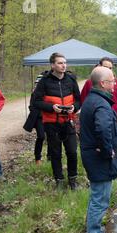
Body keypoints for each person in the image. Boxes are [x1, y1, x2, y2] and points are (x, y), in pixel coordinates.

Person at [80, 66, 117, 233]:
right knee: (100, 199)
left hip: (92, 156)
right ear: (103, 83)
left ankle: (92, 232)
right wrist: (107, 152)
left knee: (96, 196)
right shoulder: (101, 104)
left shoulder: (92, 99)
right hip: (99, 159)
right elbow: (103, 129)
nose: (115, 83)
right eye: (112, 80)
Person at [33, 53, 81, 190]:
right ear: (53, 65)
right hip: (51, 123)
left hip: (68, 121)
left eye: (65, 62)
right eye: (60, 63)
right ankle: (59, 181)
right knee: (55, 153)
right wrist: (51, 107)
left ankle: (73, 180)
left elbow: (79, 100)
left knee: (72, 151)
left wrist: (74, 107)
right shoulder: (44, 81)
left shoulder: (71, 79)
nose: (63, 65)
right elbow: (36, 101)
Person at [81, 57, 117, 178]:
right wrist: (106, 151)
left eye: (110, 68)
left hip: (116, 120)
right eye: (106, 67)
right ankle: (113, 170)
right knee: (107, 146)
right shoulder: (91, 85)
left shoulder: (116, 82)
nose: (109, 70)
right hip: (101, 121)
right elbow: (84, 100)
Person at [23, 71, 49, 165]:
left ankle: (50, 156)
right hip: (39, 117)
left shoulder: (52, 91)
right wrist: (36, 111)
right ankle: (37, 158)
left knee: (51, 137)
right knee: (41, 136)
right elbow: (31, 106)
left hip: (50, 116)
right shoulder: (35, 92)